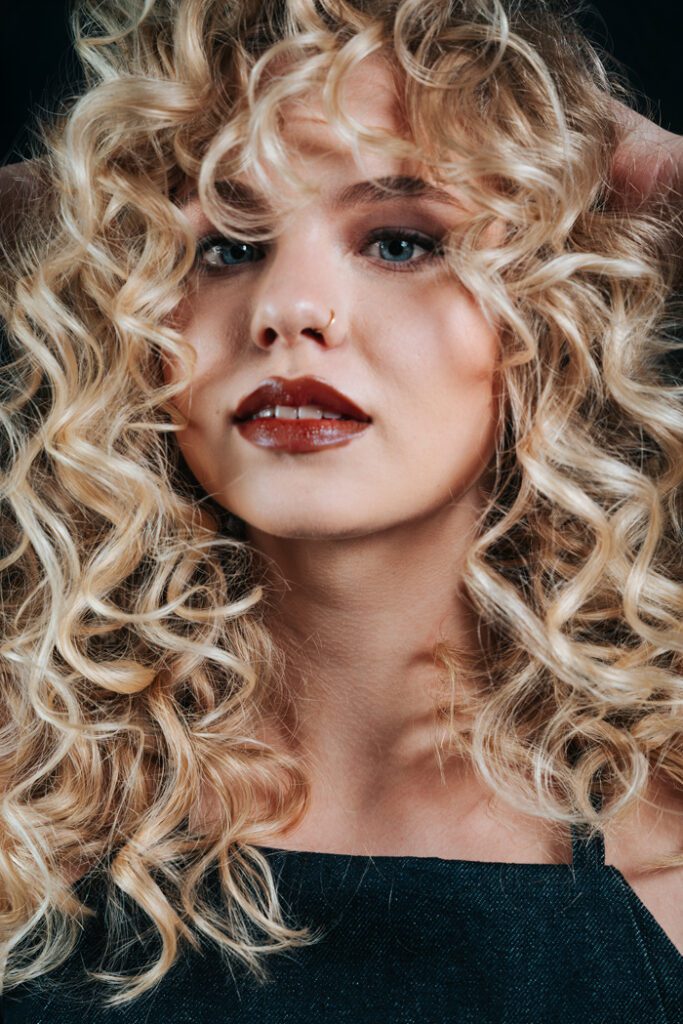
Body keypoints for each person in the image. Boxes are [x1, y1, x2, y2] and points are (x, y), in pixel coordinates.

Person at [0, 0, 681, 1020]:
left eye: (400, 243)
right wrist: (103, 179)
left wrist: (656, 177)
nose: (288, 309)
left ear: (546, 310)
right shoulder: (28, 807)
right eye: (228, 245)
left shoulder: (666, 850)